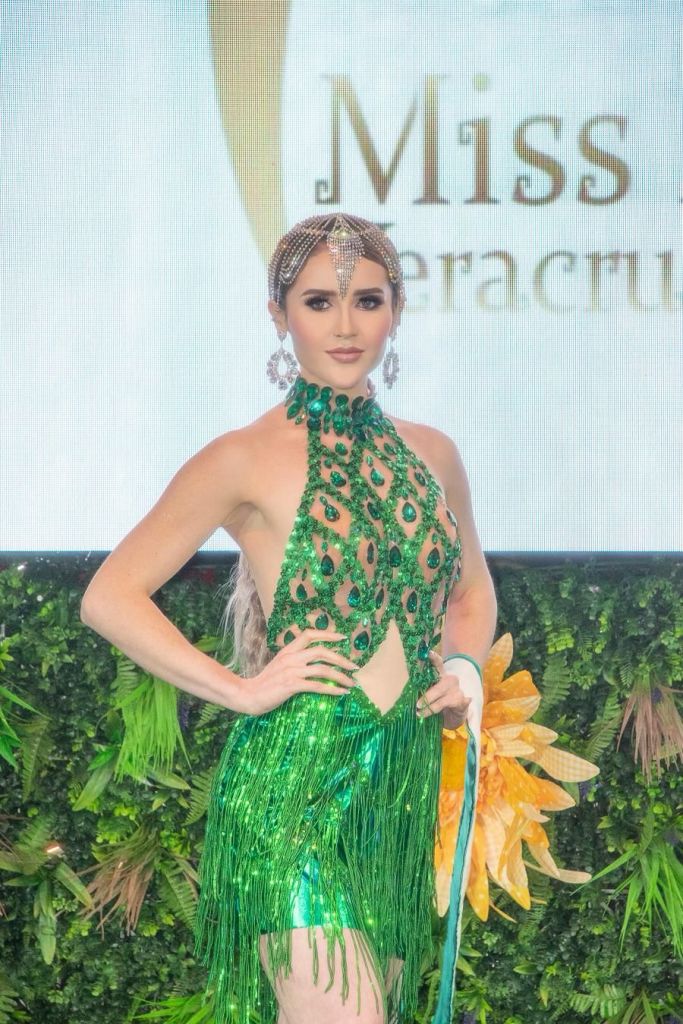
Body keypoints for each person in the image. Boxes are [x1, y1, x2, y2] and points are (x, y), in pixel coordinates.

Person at [80, 213, 497, 1024]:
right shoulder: (241, 456)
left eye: (366, 300)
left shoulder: (434, 453)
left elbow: (469, 593)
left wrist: (461, 667)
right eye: (316, 302)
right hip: (293, 790)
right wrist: (240, 690)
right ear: (279, 314)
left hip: (397, 798)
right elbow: (110, 595)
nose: (344, 326)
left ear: (396, 309)